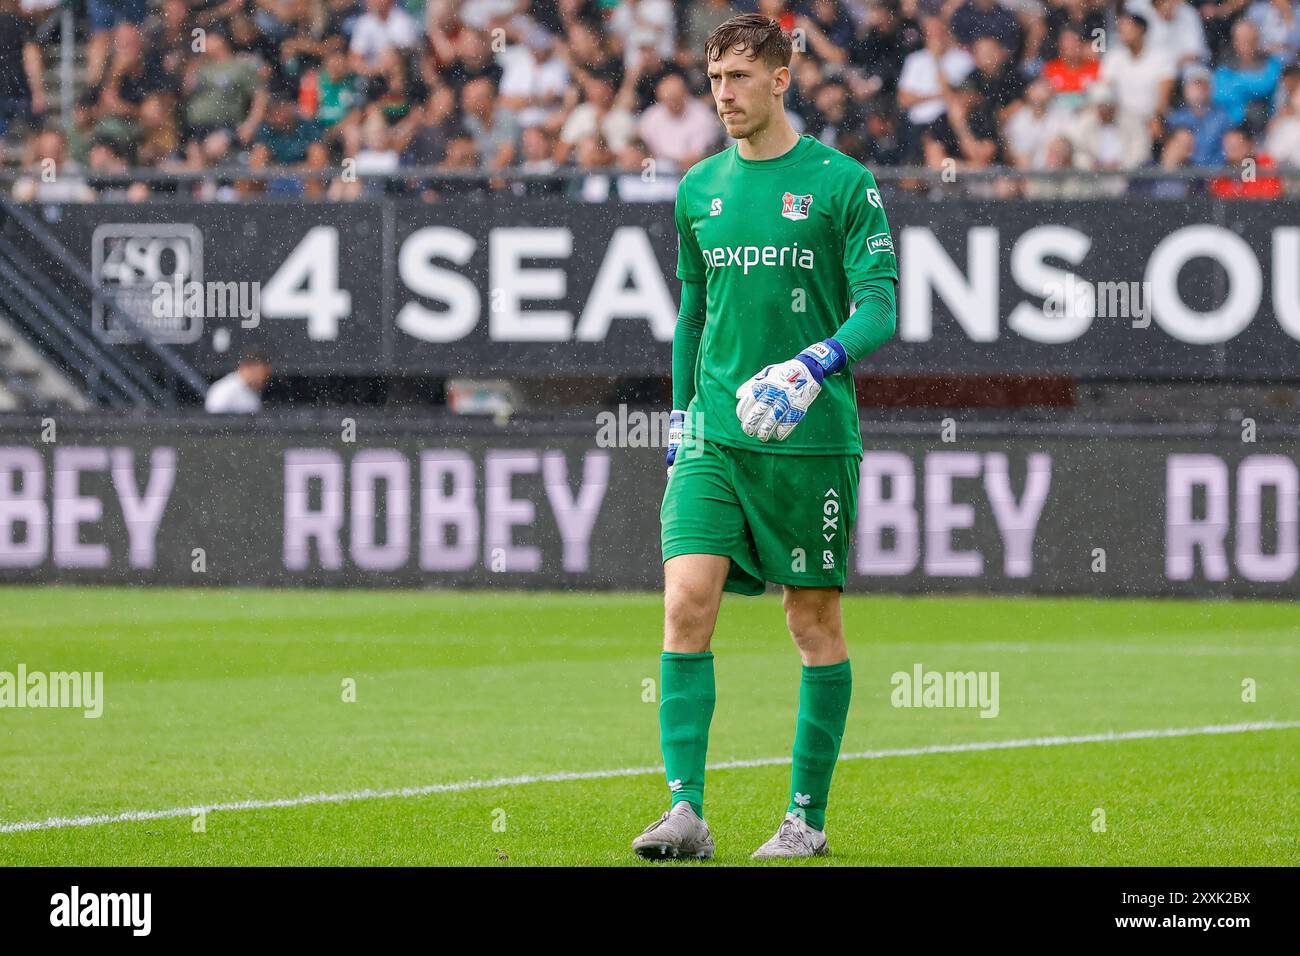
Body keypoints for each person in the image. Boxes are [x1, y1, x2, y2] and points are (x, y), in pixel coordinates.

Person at [633, 13, 897, 862]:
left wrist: (816, 361)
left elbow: (882, 306)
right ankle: (685, 812)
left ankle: (805, 821)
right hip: (714, 434)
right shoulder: (698, 188)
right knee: (685, 602)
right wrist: (679, 417)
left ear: (781, 79)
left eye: (739, 79)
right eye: (714, 81)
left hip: (811, 439)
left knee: (811, 621)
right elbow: (691, 315)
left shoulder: (842, 185)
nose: (724, 97)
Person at [204, 350, 272, 413]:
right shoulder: (224, 389)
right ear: (246, 367)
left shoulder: (254, 390)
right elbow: (213, 420)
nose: (261, 380)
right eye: (258, 373)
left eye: (265, 377)